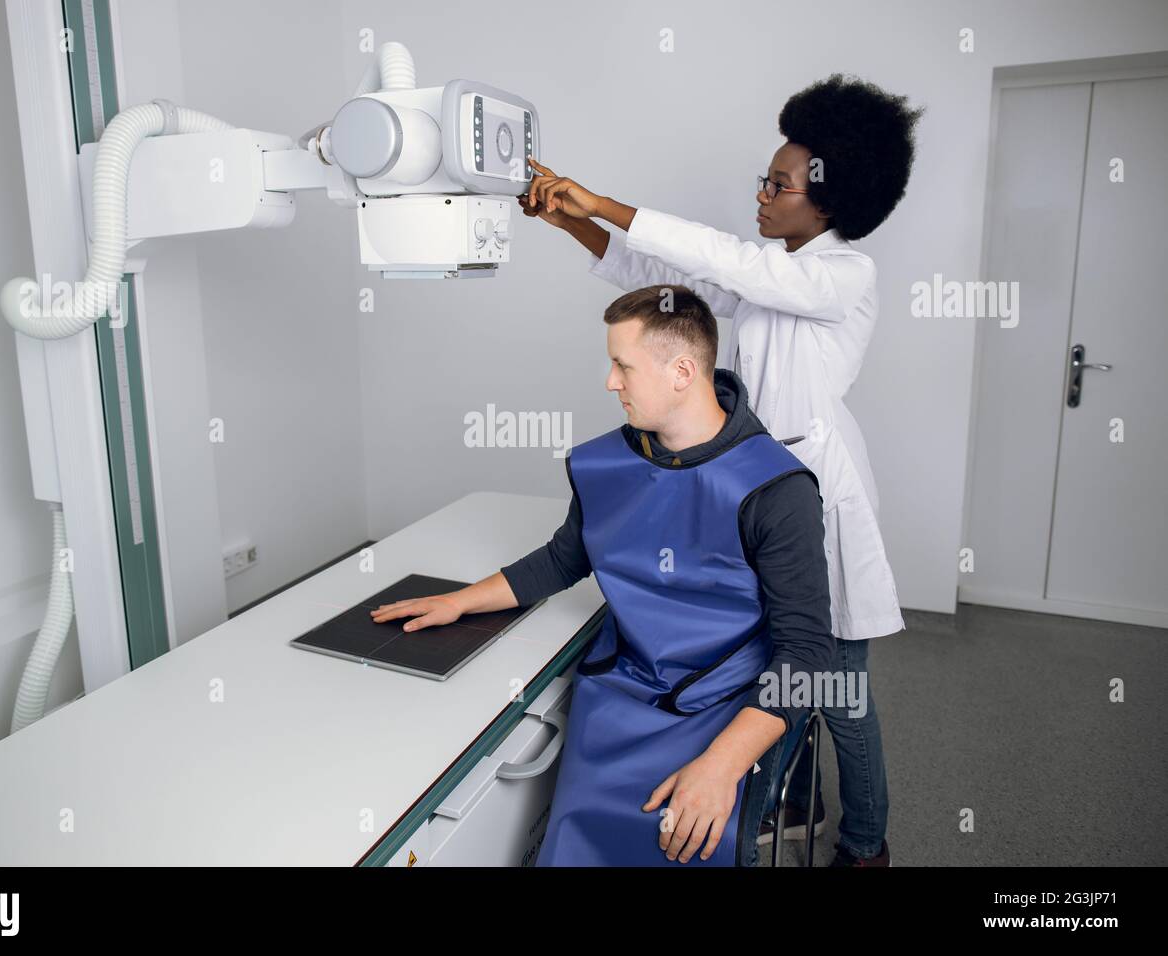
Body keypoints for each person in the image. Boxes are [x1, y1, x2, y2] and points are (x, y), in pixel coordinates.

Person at [517, 74, 924, 866]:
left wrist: (604, 201)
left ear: (830, 200)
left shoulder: (841, 275)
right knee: (775, 659)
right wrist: (573, 222)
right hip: (755, 489)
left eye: (781, 184)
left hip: (816, 501)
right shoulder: (774, 273)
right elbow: (678, 292)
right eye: (764, 179)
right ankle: (781, 780)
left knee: (836, 686)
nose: (764, 195)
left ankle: (869, 842)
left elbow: (734, 266)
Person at [372, 285, 834, 866]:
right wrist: (462, 601)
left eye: (622, 365)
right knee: (575, 842)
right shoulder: (609, 463)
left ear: (682, 372)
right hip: (626, 689)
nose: (610, 382)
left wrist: (722, 765)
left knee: (682, 840)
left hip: (728, 704)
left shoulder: (776, 489)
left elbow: (809, 653)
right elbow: (565, 558)